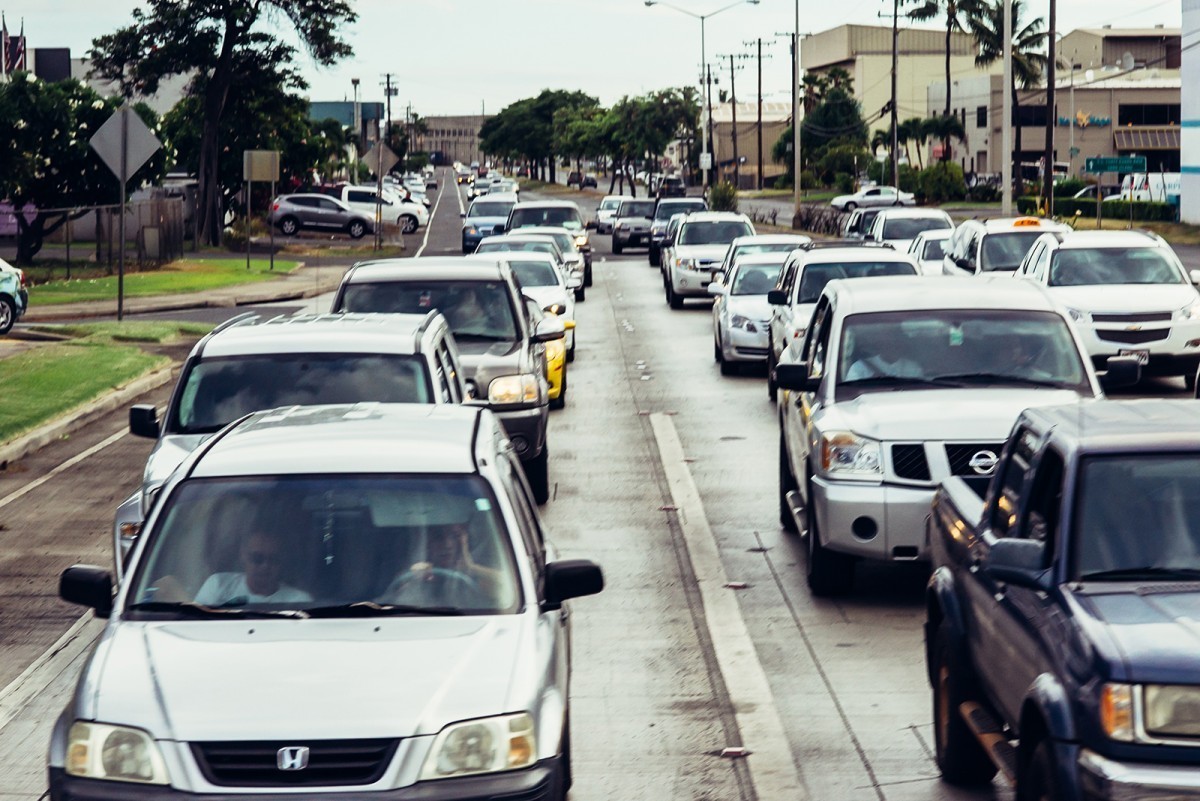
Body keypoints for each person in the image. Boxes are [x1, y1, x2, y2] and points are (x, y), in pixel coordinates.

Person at [383, 522, 502, 608]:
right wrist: (411, 580)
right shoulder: (408, 578)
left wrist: (472, 568)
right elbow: (384, 604)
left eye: (455, 537)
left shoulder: (477, 579)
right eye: (438, 537)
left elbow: (512, 587)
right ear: (425, 543)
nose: (448, 544)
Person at [194, 530, 312, 607]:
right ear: (243, 556)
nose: (265, 565)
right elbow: (196, 621)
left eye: (273, 559)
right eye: (258, 558)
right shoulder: (218, 585)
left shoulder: (298, 601)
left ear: (282, 561)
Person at [844, 326, 922, 381]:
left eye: (894, 342)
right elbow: (848, 394)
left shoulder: (913, 368)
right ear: (879, 345)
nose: (891, 346)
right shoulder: (859, 367)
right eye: (886, 343)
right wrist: (869, 383)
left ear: (901, 345)